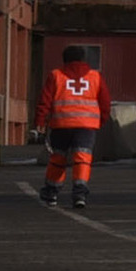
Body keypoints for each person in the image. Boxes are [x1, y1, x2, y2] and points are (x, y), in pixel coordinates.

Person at [36, 44, 103, 208]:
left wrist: (40, 121)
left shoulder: (56, 75)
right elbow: (105, 101)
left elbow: (45, 100)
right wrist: (101, 120)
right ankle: (80, 193)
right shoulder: (95, 76)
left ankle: (51, 192)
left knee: (58, 158)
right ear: (83, 59)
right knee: (83, 159)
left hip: (61, 124)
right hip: (87, 126)